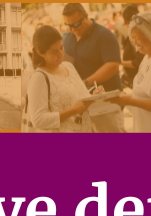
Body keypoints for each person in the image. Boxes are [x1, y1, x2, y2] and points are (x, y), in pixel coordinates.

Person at [62, 1, 123, 130]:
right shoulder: (68, 38)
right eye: (68, 26)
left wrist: (85, 83)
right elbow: (66, 65)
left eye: (76, 24)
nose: (73, 29)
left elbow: (112, 66)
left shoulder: (104, 35)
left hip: (106, 102)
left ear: (85, 16)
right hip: (83, 104)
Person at [24, 25, 94, 133]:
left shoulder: (68, 66)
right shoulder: (39, 77)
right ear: (40, 53)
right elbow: (38, 120)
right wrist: (73, 111)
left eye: (61, 47)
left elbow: (80, 98)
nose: (61, 54)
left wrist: (95, 95)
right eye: (54, 52)